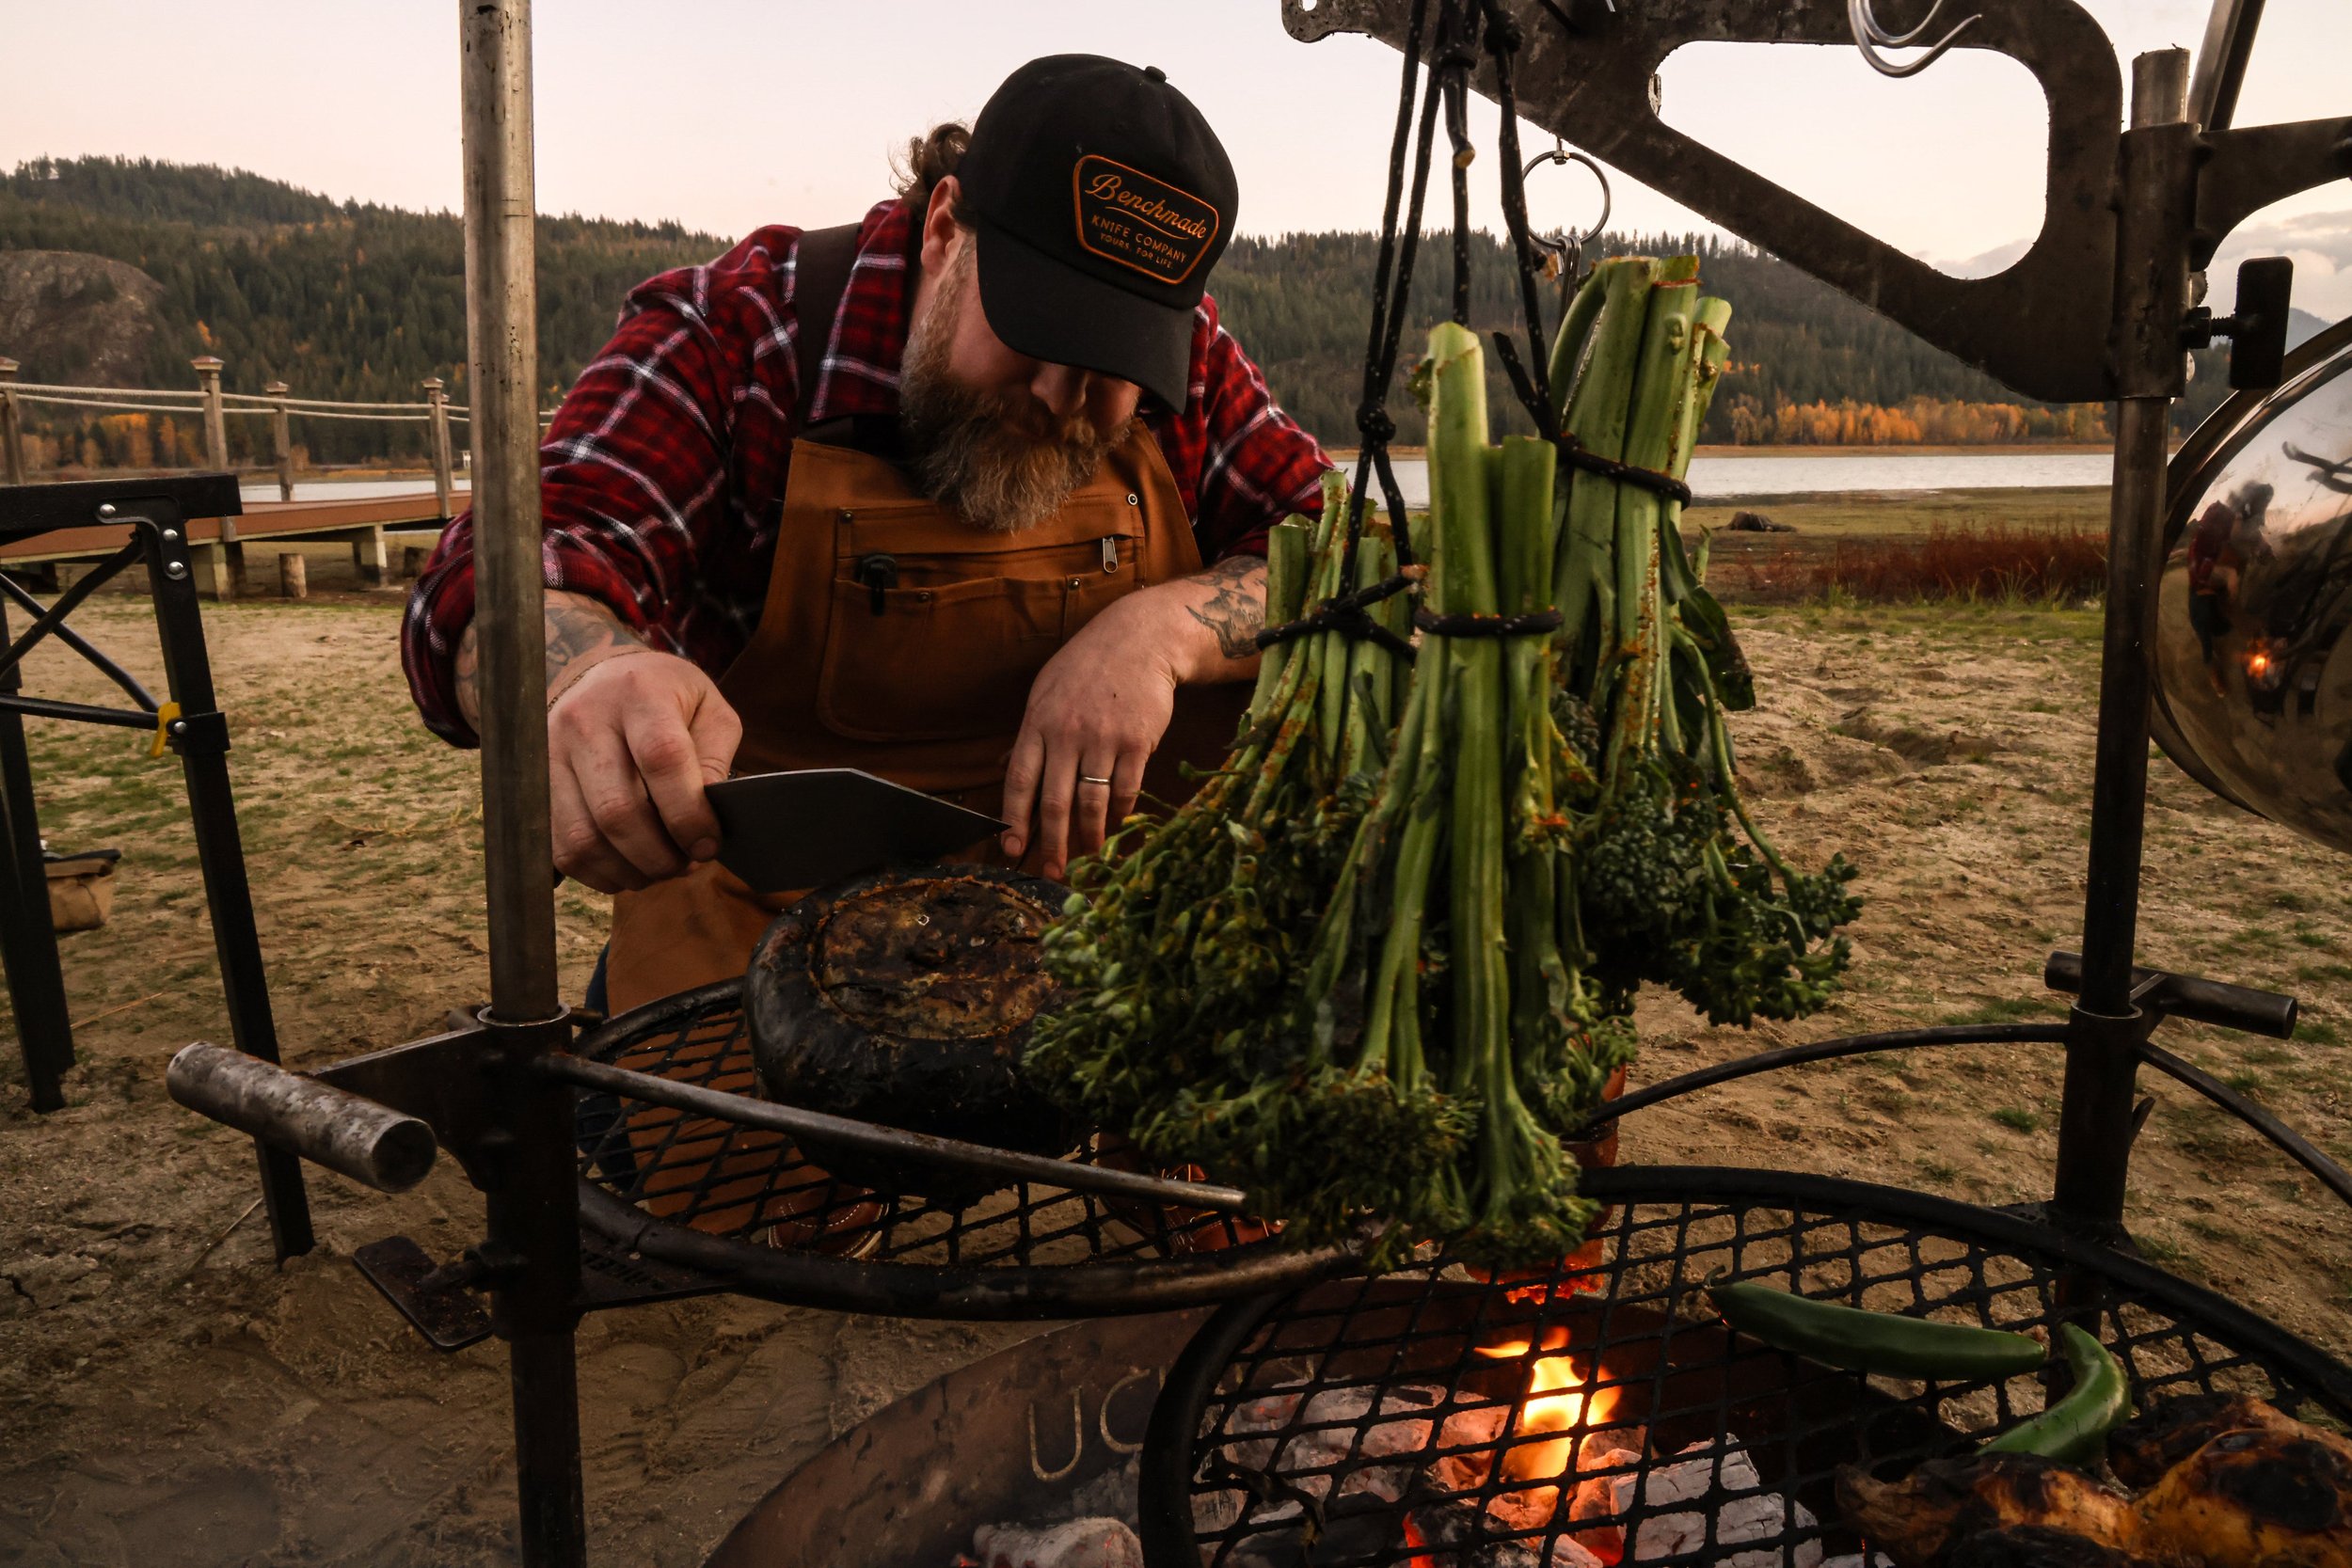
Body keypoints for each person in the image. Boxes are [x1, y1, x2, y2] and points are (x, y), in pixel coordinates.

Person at [401, 55, 1328, 1023]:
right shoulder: (739, 336)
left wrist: (1160, 632)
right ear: (943, 230)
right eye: (1038, 331)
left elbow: (1348, 561)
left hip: (1088, 928)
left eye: (1111, 366)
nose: (1064, 400)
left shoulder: (1188, 367)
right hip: (767, 933)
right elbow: (497, 577)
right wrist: (581, 675)